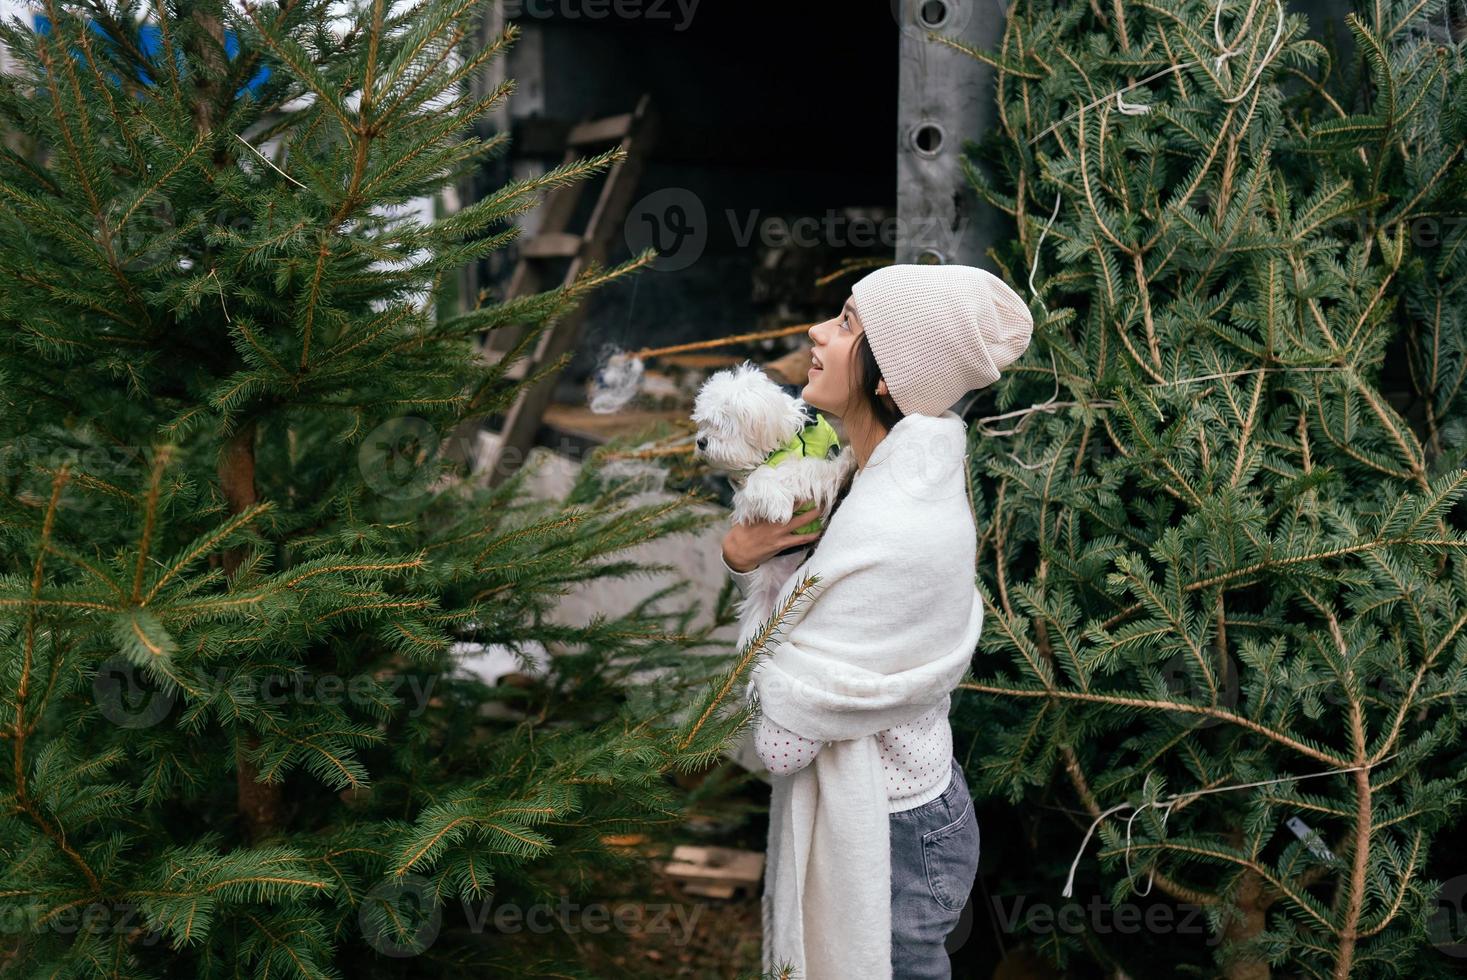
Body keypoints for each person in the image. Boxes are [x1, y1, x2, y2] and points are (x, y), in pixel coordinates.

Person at [719, 263, 1034, 980]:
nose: (816, 332)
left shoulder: (898, 526)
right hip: (889, 807)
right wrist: (745, 557)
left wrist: (776, 680)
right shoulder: (856, 477)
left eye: (846, 324)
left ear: (888, 374)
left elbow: (784, 740)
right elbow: (801, 619)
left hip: (899, 824)